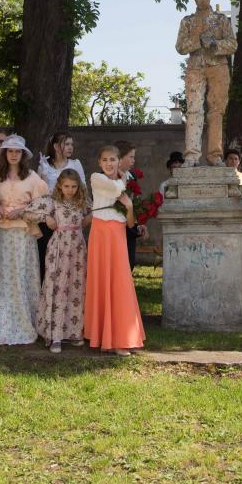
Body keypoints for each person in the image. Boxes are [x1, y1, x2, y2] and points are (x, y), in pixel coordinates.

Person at [0, 135, 49, 346]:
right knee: (3, 277)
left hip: (23, 234)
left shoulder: (32, 177)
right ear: (4, 153)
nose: (13, 154)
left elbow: (43, 204)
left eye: (17, 151)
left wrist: (23, 210)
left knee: (21, 276)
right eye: (10, 151)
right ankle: (2, 322)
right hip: (2, 233)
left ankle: (25, 321)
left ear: (23, 154)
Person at [85, 146, 146, 355]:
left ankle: (122, 338)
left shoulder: (125, 181)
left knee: (120, 282)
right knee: (101, 281)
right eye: (105, 160)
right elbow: (115, 189)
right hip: (100, 233)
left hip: (117, 232)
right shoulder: (96, 178)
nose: (109, 163)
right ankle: (102, 335)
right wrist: (123, 178)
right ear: (99, 163)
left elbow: (130, 224)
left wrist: (129, 207)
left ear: (118, 161)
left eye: (113, 159)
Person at [175, 0, 238, 165]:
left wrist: (215, 44)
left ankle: (215, 155)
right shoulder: (187, 21)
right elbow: (180, 47)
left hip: (218, 67)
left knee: (216, 111)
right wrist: (198, 41)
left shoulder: (220, 20)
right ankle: (192, 155)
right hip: (195, 67)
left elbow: (233, 44)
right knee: (194, 110)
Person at [35, 169, 91, 353]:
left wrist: (87, 219)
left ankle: (74, 332)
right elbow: (28, 211)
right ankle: (55, 334)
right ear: (59, 184)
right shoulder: (53, 201)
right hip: (58, 247)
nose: (70, 190)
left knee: (76, 286)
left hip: (77, 248)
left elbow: (91, 215)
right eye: (66, 186)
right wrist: (46, 217)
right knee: (57, 286)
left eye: (74, 186)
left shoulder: (82, 201)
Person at [36, 132, 85, 281]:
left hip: (69, 218)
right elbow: (41, 195)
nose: (70, 147)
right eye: (67, 144)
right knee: (48, 259)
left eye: (72, 144)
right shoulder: (44, 165)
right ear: (56, 146)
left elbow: (83, 189)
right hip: (50, 218)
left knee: (70, 261)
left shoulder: (75, 164)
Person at [117, 141, 147, 267]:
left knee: (130, 262)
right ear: (120, 157)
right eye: (131, 157)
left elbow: (135, 201)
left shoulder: (132, 176)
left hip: (130, 225)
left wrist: (139, 223)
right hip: (116, 227)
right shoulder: (107, 177)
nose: (133, 160)